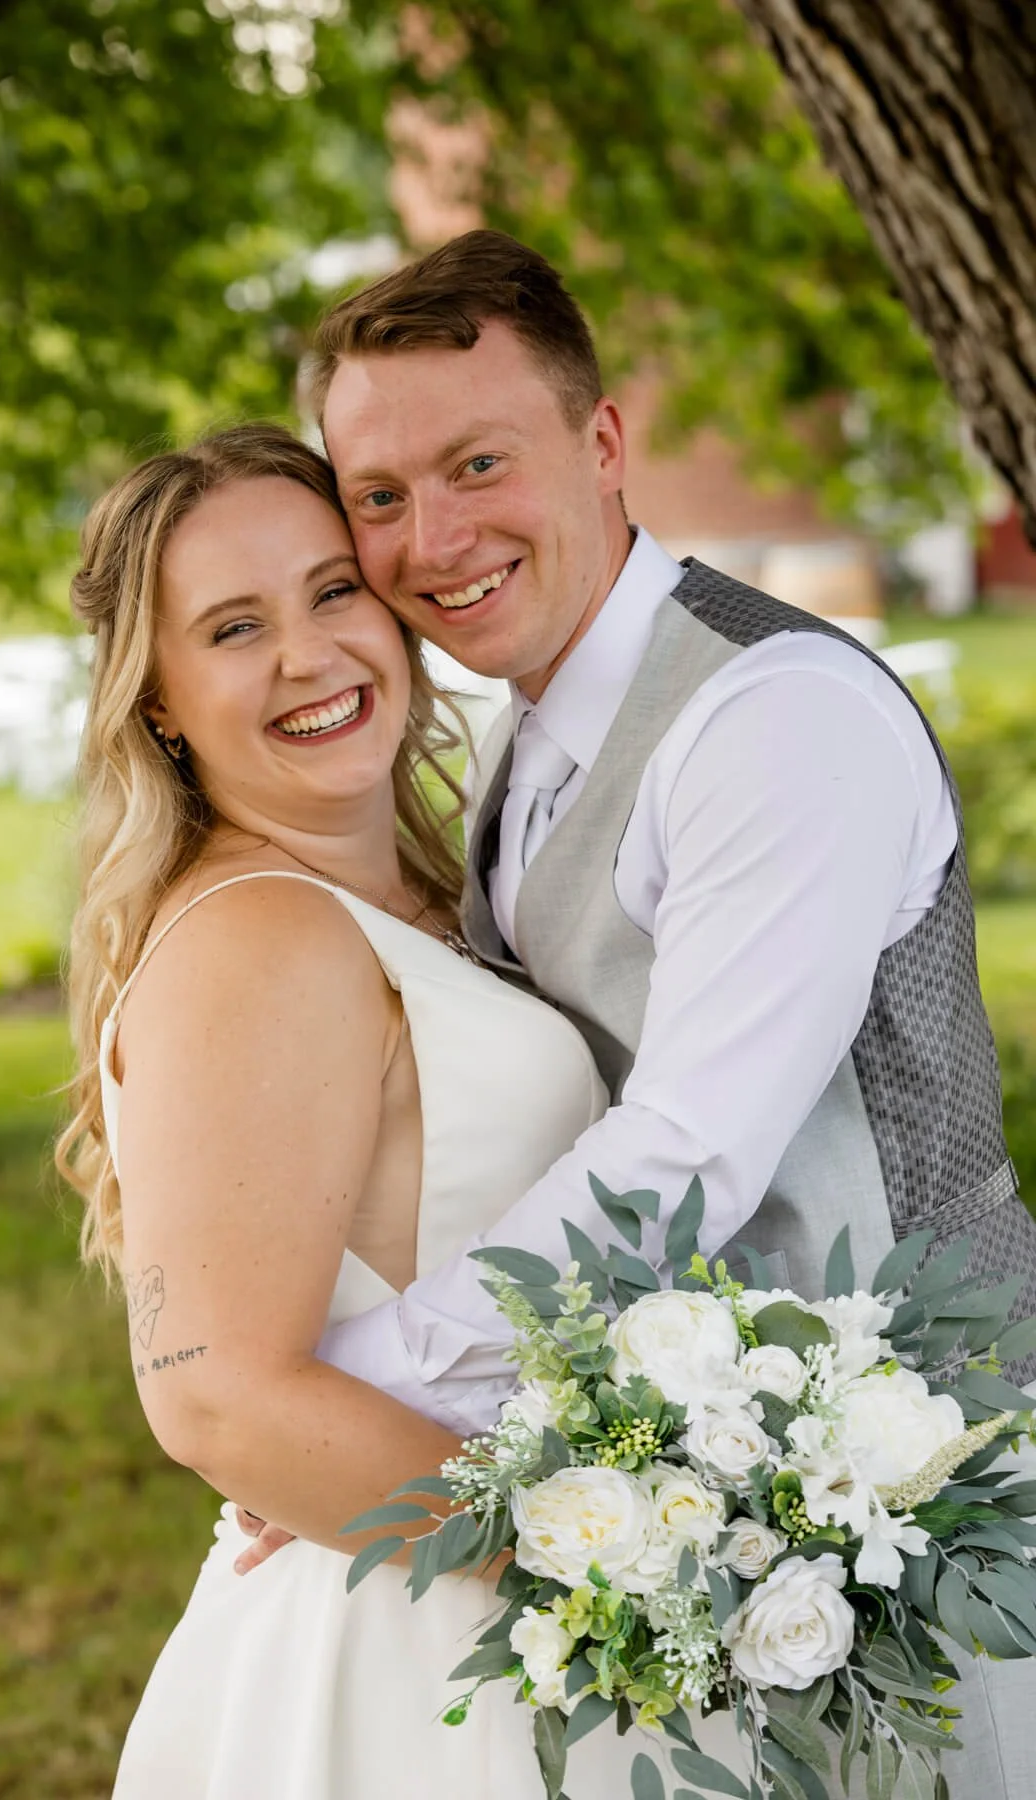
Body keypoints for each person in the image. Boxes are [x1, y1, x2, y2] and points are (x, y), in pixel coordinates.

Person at [240, 230, 1035, 1794]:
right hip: (716, 1504)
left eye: (479, 464)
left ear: (602, 444)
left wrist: (356, 1389)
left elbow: (688, 1151)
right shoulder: (523, 740)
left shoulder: (772, 715)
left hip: (936, 1473)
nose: (433, 539)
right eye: (379, 497)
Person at [55, 423, 667, 1795]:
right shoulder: (261, 937)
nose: (309, 654)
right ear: (157, 700)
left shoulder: (414, 895)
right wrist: (624, 1558)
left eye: (334, 590)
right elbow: (219, 1401)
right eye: (235, 628)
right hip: (430, 1652)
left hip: (502, 1605)